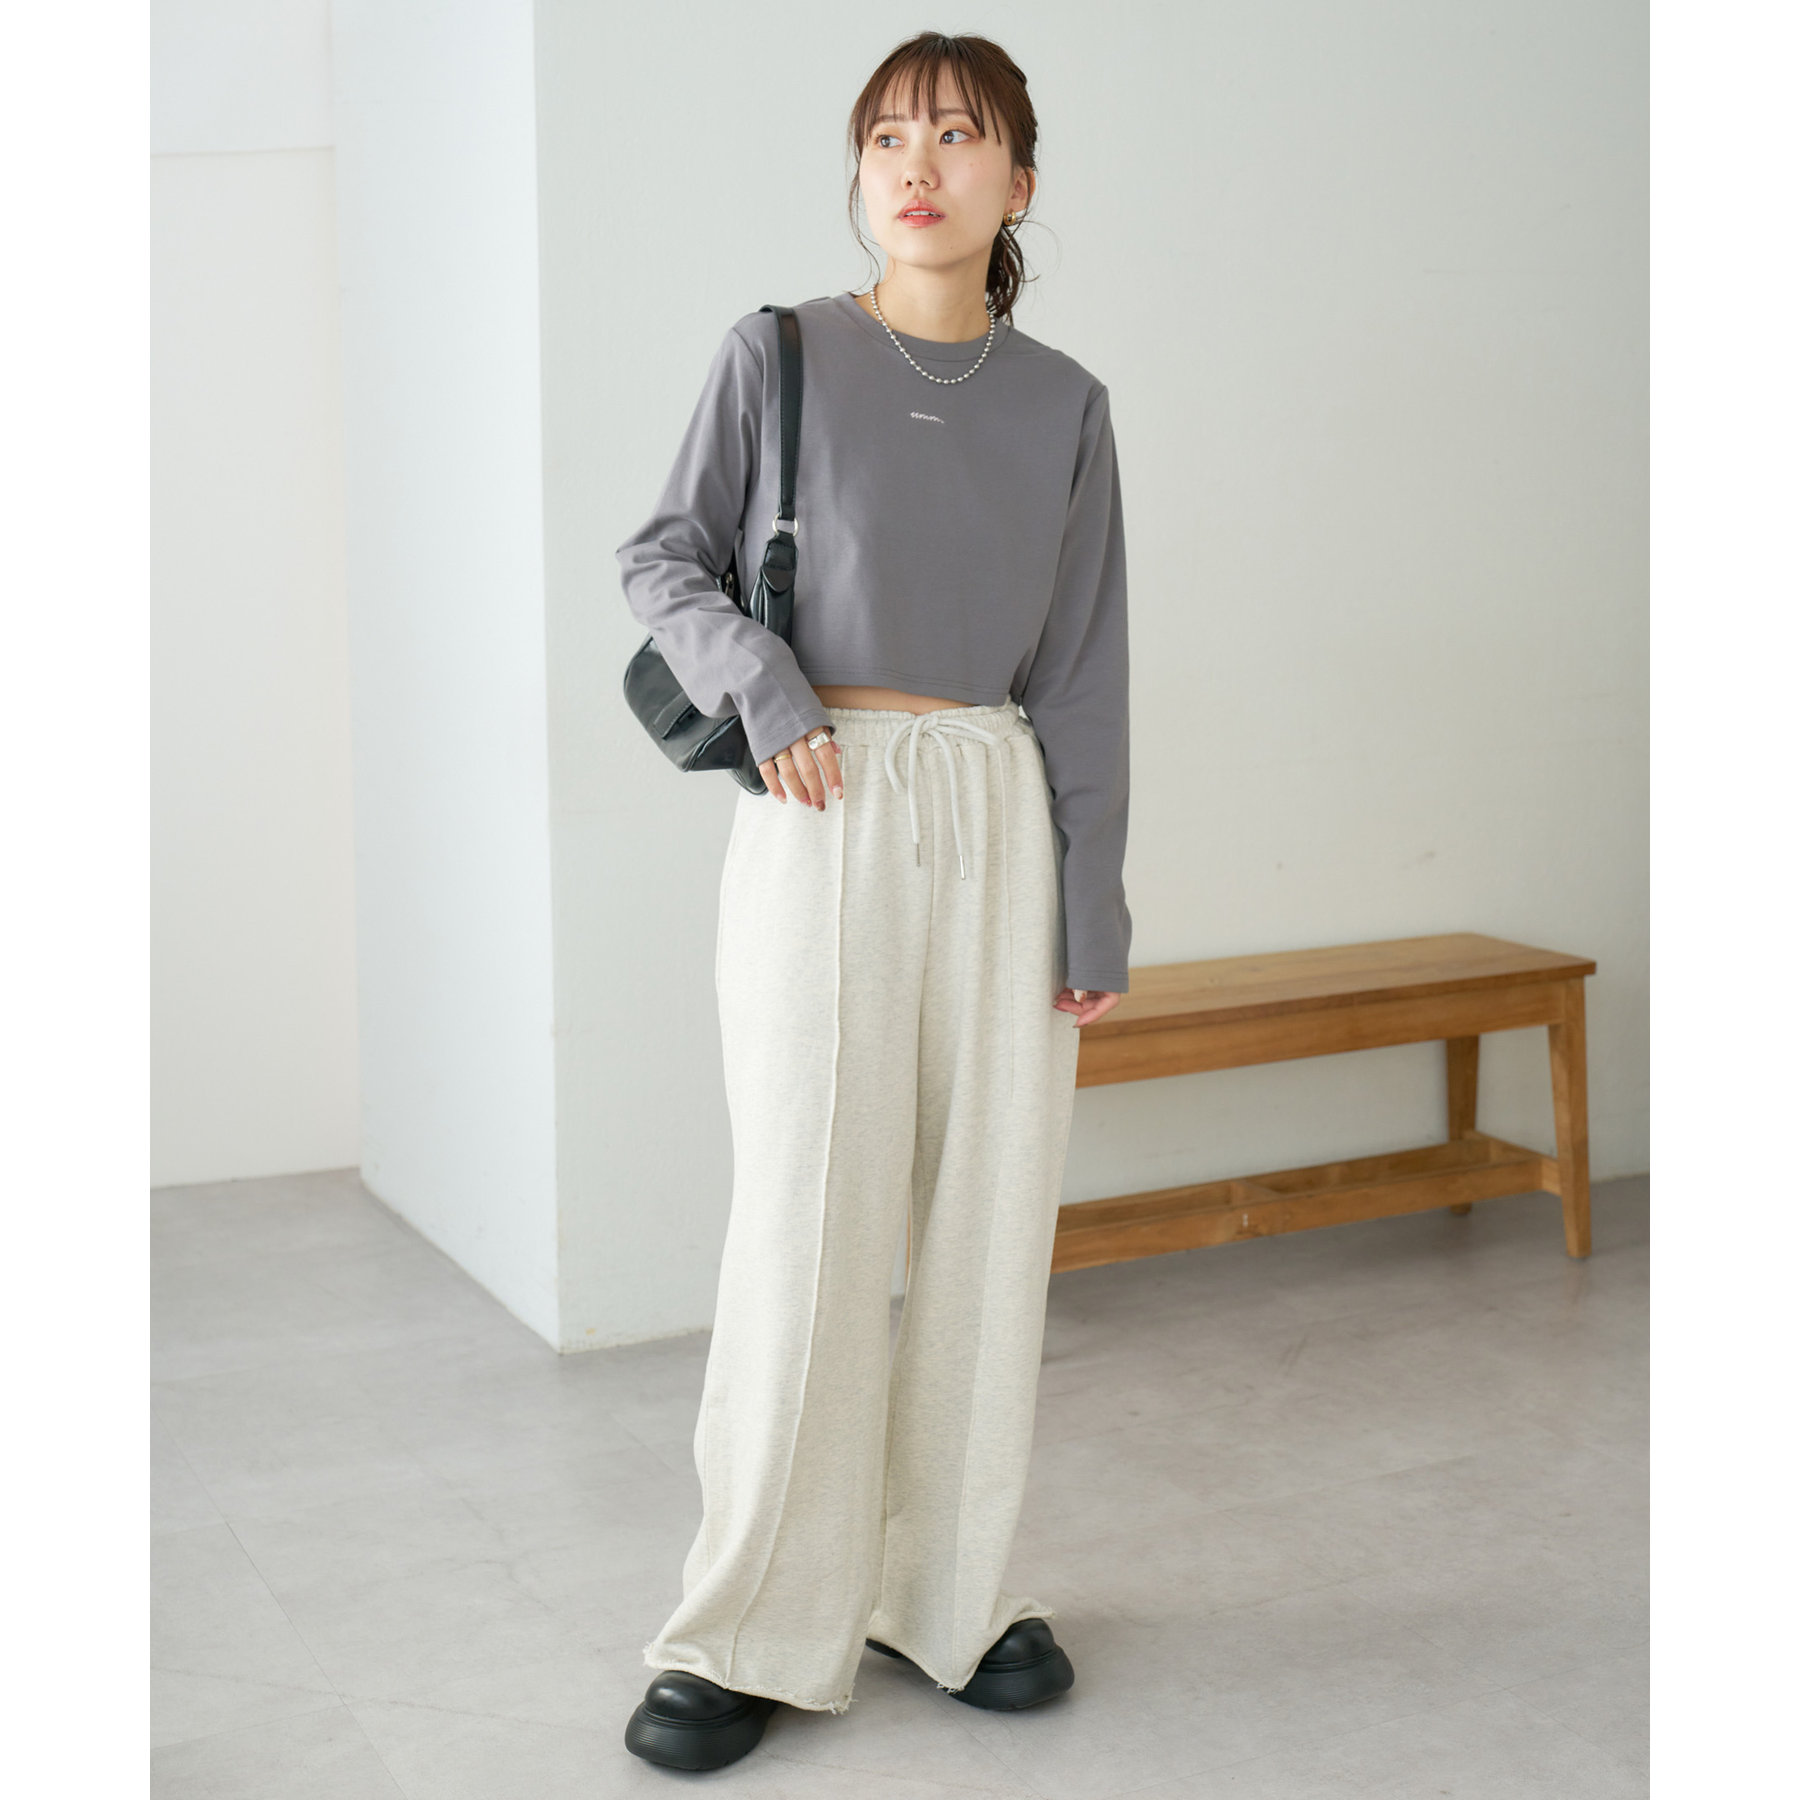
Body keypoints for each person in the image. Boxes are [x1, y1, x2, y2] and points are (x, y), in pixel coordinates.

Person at [614, 30, 1131, 1773]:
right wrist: (767, 690)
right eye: (889, 135)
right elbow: (661, 557)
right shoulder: (778, 356)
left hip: (999, 803)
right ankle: (749, 1623)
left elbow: (1084, 670)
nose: (918, 164)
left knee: (989, 1225)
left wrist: (1094, 905)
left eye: (959, 137)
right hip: (821, 800)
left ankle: (947, 1594)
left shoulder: (1067, 404)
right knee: (807, 1227)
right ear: (859, 171)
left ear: (1019, 183)